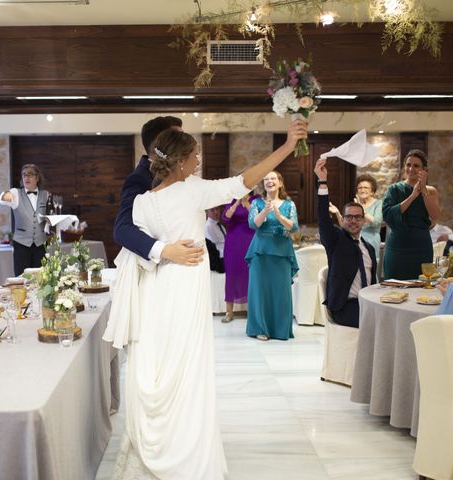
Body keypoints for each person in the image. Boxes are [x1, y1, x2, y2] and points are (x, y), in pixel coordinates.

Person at [106, 121, 308, 479]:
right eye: (195, 156)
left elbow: (128, 235)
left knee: (160, 364)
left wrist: (161, 252)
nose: (198, 162)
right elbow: (244, 181)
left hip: (156, 289)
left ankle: (160, 443)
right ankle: (186, 453)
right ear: (181, 162)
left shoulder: (143, 202)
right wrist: (288, 146)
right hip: (184, 290)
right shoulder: (192, 190)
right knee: (189, 366)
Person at [113, 116, 204, 267]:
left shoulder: (182, 177)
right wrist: (165, 250)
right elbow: (122, 229)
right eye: (177, 138)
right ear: (160, 144)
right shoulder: (139, 178)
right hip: (159, 267)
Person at [314, 159, 377, 328]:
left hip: (368, 302)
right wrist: (322, 181)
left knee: (391, 316)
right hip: (345, 306)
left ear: (363, 221)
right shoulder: (336, 240)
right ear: (343, 219)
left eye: (357, 217)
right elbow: (322, 217)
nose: (353, 221)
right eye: (348, 217)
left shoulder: (368, 248)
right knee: (379, 322)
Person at [245, 171, 299, 341]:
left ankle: (280, 330)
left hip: (282, 251)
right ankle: (260, 328)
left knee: (281, 291)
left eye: (273, 178)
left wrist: (278, 215)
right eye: (266, 179)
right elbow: (253, 224)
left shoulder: (289, 204)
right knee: (259, 291)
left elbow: (294, 226)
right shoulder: (257, 203)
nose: (269, 181)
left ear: (280, 183)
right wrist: (265, 210)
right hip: (260, 251)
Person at [382, 149, 439, 279]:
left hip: (421, 247)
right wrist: (413, 196)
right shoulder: (394, 189)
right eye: (408, 165)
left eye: (416, 165)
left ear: (424, 170)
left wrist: (423, 189)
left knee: (421, 288)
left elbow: (434, 216)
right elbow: (388, 215)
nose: (411, 168)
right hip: (397, 247)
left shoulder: (431, 191)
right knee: (394, 288)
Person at [0, 163, 49, 276]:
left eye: (30, 174)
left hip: (40, 245)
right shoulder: (16, 193)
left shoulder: (45, 195)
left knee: (41, 277)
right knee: (21, 278)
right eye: (24, 175)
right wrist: (5, 194)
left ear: (37, 177)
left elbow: (50, 216)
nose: (26, 177)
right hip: (21, 244)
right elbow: (2, 199)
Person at [220, 191, 258, 323]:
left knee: (252, 274)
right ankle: (229, 312)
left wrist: (246, 203)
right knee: (231, 274)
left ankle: (253, 311)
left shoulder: (256, 199)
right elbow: (225, 217)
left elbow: (257, 217)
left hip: (251, 240)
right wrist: (237, 202)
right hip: (233, 242)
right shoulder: (230, 199)